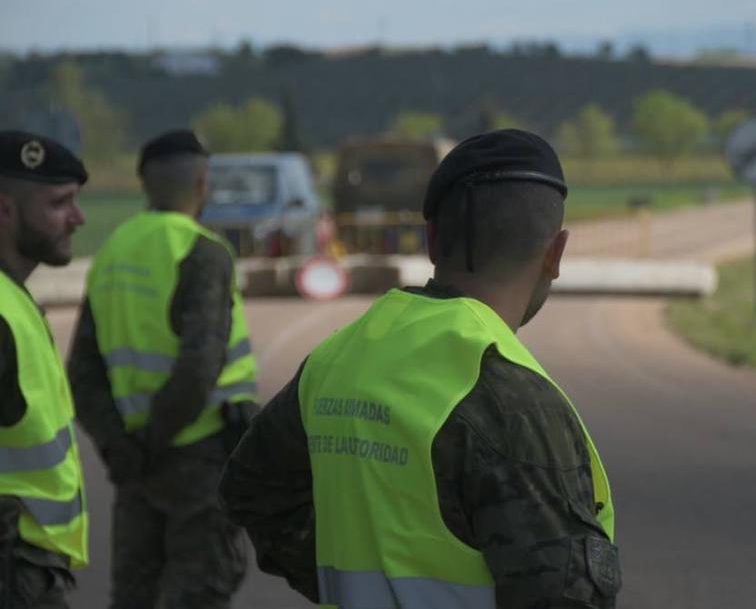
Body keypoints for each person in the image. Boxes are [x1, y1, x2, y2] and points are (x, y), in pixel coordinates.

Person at [221, 129, 621, 608]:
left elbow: (250, 488)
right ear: (555, 254)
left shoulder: (333, 361)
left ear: (431, 240)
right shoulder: (511, 396)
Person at [67, 130, 257, 609]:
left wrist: (120, 446)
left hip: (134, 462)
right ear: (202, 182)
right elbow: (200, 364)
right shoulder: (202, 251)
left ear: (143, 184)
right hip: (197, 456)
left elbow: (82, 371)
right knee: (199, 591)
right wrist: (156, 440)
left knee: (134, 594)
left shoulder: (112, 251)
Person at [0, 130, 90, 609]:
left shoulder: (13, 297)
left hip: (28, 568)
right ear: (5, 209)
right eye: (60, 203)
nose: (78, 218)